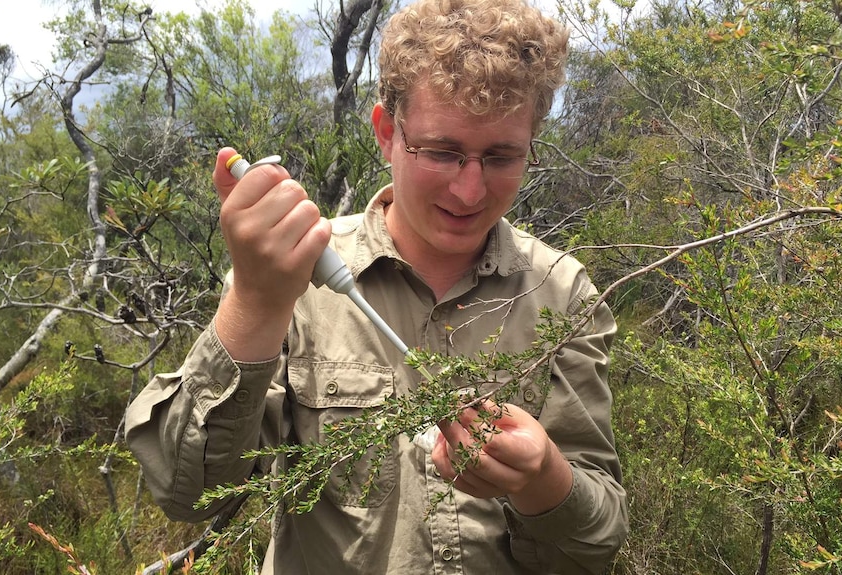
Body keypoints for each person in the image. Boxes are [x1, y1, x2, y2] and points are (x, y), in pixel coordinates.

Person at [125, 0, 628, 572]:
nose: (469, 191)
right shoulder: (294, 275)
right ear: (387, 133)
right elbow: (184, 490)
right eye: (441, 152)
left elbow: (597, 539)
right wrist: (257, 301)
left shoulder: (562, 295)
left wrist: (543, 479)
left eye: (500, 157)